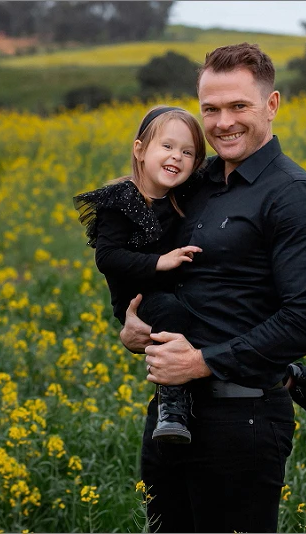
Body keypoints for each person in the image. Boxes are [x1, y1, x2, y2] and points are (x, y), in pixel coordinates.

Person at [119, 43, 306, 532]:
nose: (223, 122)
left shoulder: (294, 197)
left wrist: (201, 362)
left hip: (242, 419)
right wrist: (131, 323)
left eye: (238, 106)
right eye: (211, 109)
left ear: (271, 105)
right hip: (168, 413)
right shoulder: (195, 183)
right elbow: (145, 260)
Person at [73, 106, 208, 444]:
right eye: (167, 146)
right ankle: (172, 405)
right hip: (141, 300)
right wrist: (159, 262)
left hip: (175, 293)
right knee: (172, 313)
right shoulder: (120, 200)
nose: (176, 156)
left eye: (187, 152)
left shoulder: (181, 196)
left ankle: (286, 374)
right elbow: (108, 257)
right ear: (140, 150)